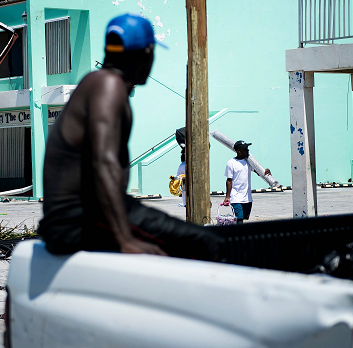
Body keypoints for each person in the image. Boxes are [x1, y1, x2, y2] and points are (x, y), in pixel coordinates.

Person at [38, 13, 223, 261]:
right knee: (206, 243)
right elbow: (104, 162)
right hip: (82, 222)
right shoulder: (109, 86)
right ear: (146, 53)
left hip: (78, 219)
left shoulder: (97, 82)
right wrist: (125, 239)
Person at [222, 141, 271, 224]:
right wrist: (227, 197)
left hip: (247, 198)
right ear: (238, 151)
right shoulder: (231, 163)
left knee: (242, 219)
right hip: (236, 197)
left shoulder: (249, 162)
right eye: (245, 149)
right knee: (240, 219)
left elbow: (258, 172)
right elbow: (229, 180)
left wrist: (265, 171)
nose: (247, 150)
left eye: (247, 148)